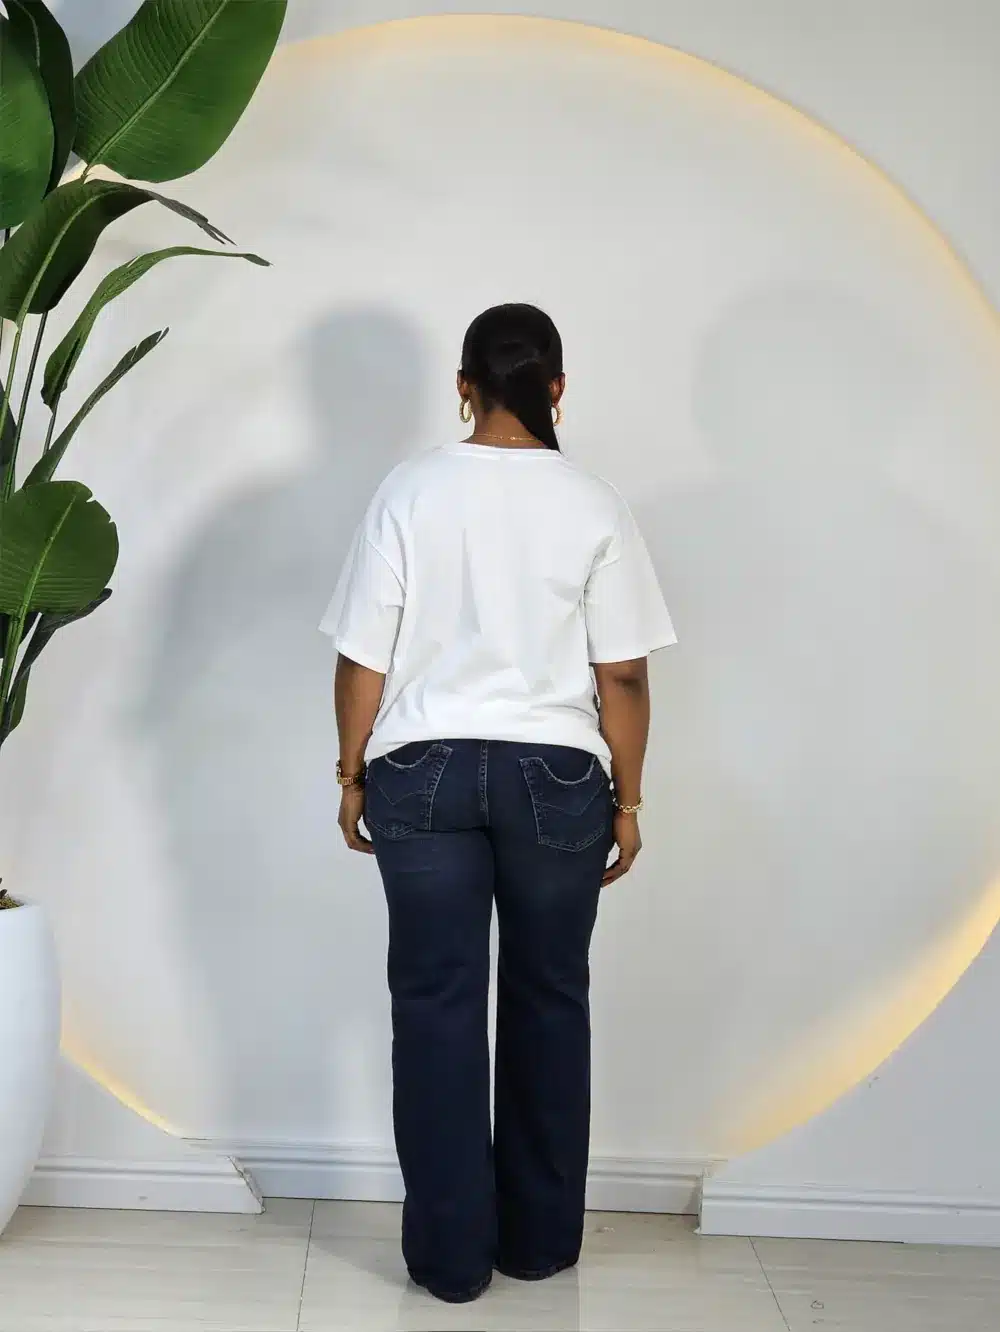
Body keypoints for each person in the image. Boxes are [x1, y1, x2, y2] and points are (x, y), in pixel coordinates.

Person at [320, 303, 676, 1304]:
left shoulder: (409, 490)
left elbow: (362, 656)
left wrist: (350, 773)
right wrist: (628, 802)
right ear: (556, 388)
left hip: (422, 770)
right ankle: (538, 1244)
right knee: (548, 999)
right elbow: (624, 676)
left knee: (434, 1006)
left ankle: (448, 1262)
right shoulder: (594, 504)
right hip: (557, 778)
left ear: (463, 388)